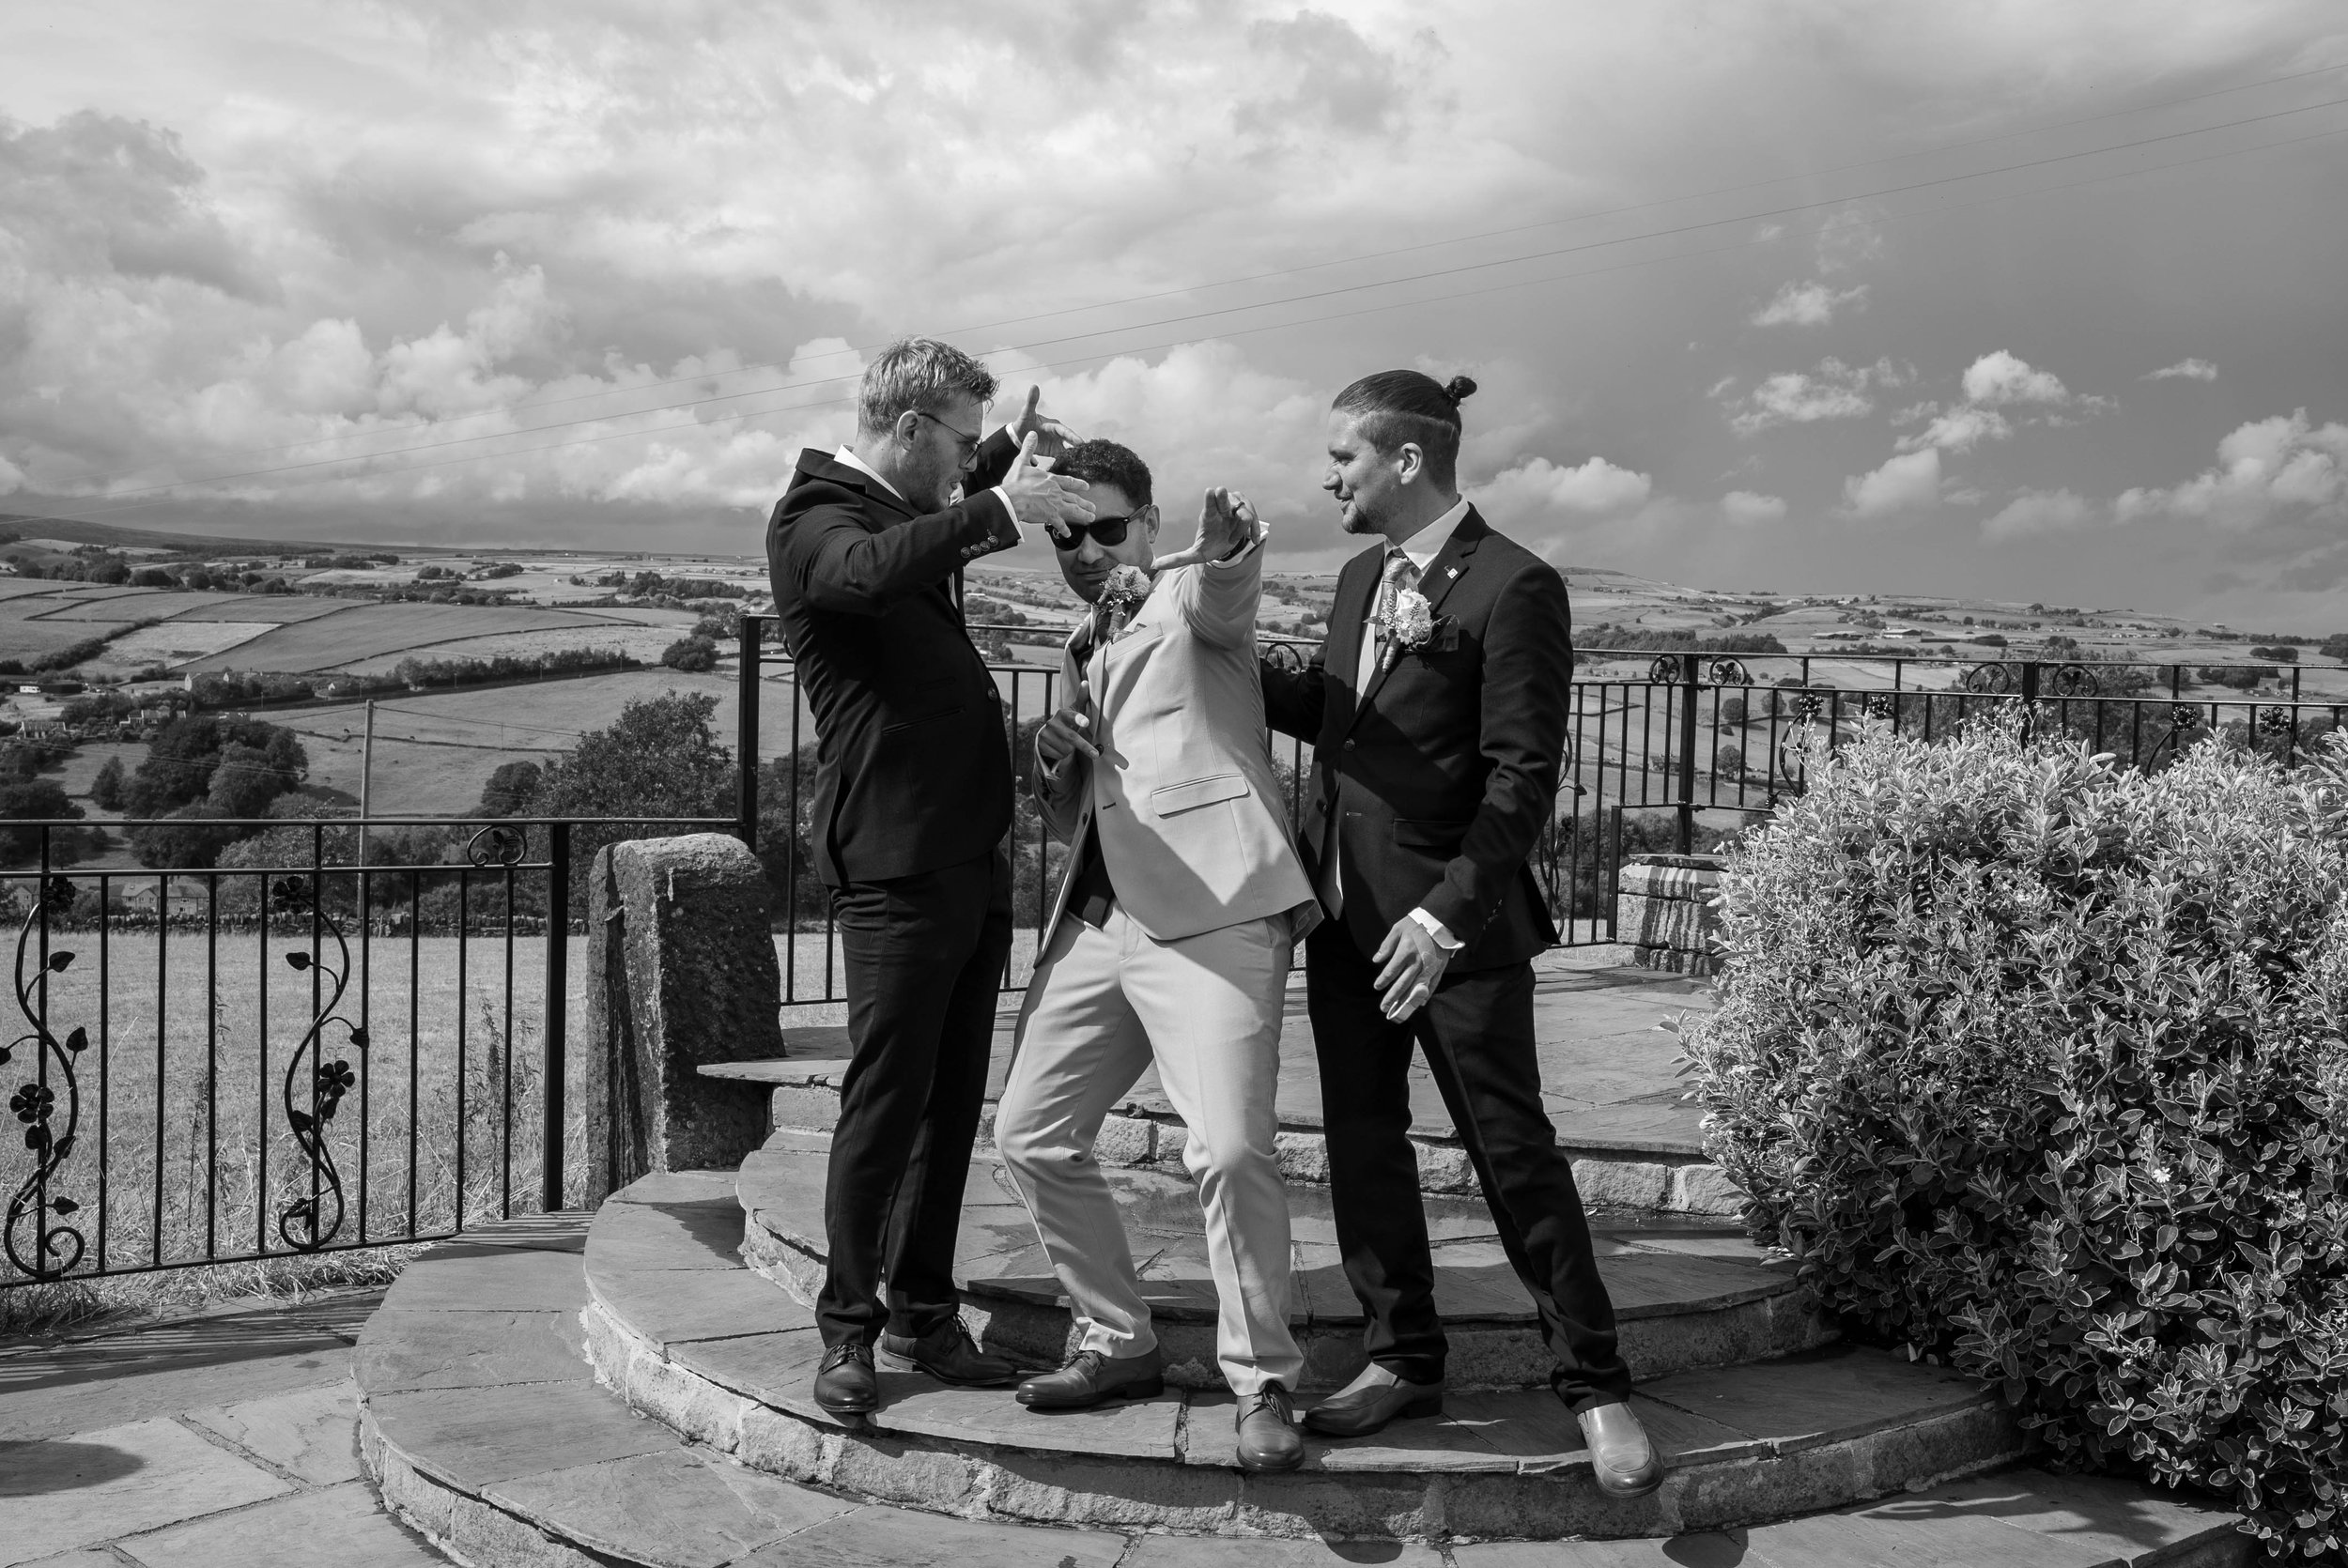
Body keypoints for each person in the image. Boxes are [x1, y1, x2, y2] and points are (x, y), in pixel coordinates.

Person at [1259, 369, 1662, 1499]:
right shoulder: (1353, 578)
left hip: (1455, 926)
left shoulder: (1513, 583)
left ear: (1403, 459)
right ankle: (1401, 1355)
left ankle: (1595, 1383)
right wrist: (1212, 641)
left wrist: (1446, 912)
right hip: (1346, 917)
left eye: (1341, 455)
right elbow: (1344, 718)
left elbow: (1523, 772)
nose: (1325, 474)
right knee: (1362, 1141)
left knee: (1511, 1150)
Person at [765, 336, 1091, 1419]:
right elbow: (868, 569)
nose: (961, 465)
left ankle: (924, 1310)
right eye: (952, 440)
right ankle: (847, 1331)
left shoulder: (897, 506)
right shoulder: (815, 516)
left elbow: (922, 525)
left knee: (951, 1105)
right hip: (897, 864)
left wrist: (1002, 453)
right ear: (905, 429)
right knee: (888, 1099)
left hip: (966, 853)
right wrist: (1006, 502)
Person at [993, 438, 1319, 1473]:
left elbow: (1227, 594)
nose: (1083, 550)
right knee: (1030, 1132)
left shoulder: (1188, 601)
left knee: (1226, 1149)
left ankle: (1262, 1378)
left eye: (1102, 528)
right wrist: (1053, 770)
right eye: (1062, 535)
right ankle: (1116, 1335)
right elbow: (1088, 803)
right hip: (1100, 915)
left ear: (1146, 519)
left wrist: (1225, 549)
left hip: (1217, 910)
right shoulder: (1081, 638)